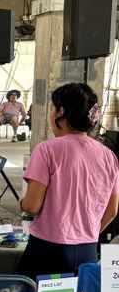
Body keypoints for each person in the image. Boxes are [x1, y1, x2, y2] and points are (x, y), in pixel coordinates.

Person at [17, 83, 119, 281]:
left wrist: (22, 203)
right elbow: (112, 210)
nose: (50, 114)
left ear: (60, 112)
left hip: (48, 250)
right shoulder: (108, 156)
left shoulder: (47, 150)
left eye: (52, 108)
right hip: (87, 250)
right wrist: (87, 230)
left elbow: (32, 205)